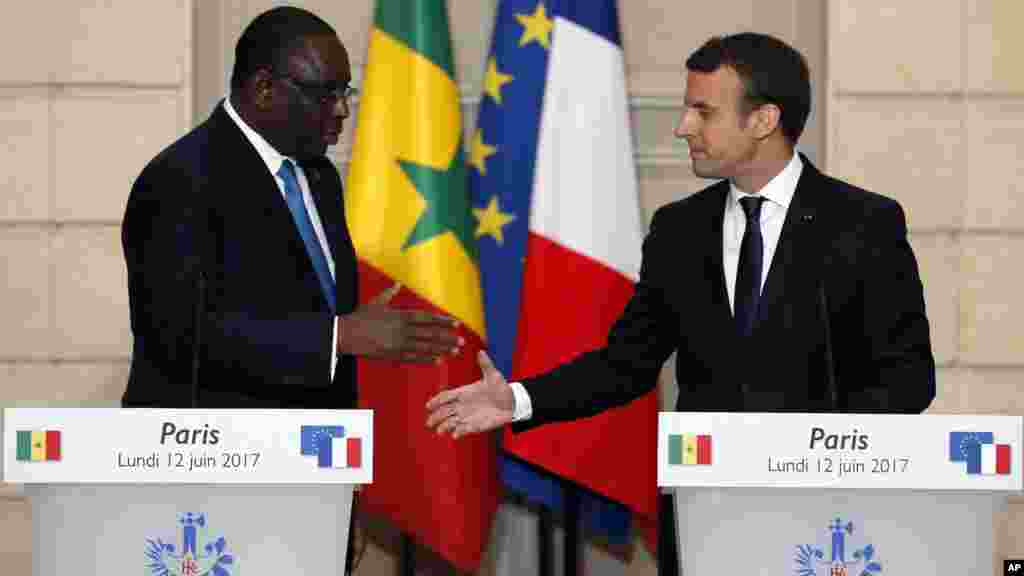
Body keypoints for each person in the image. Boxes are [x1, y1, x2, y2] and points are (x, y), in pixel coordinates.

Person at [425, 32, 935, 574]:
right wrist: (519, 401)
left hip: (826, 523)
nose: (682, 127)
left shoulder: (862, 223)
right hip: (705, 517)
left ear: (763, 120)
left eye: (703, 111)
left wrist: (801, 448)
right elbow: (624, 364)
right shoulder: (680, 229)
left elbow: (907, 379)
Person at [122, 6, 462, 410]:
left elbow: (297, 306)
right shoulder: (180, 179)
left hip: (312, 450)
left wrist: (349, 326)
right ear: (265, 88)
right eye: (326, 93)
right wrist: (338, 335)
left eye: (345, 92)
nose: (342, 109)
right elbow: (178, 334)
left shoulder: (319, 176)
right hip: (211, 452)